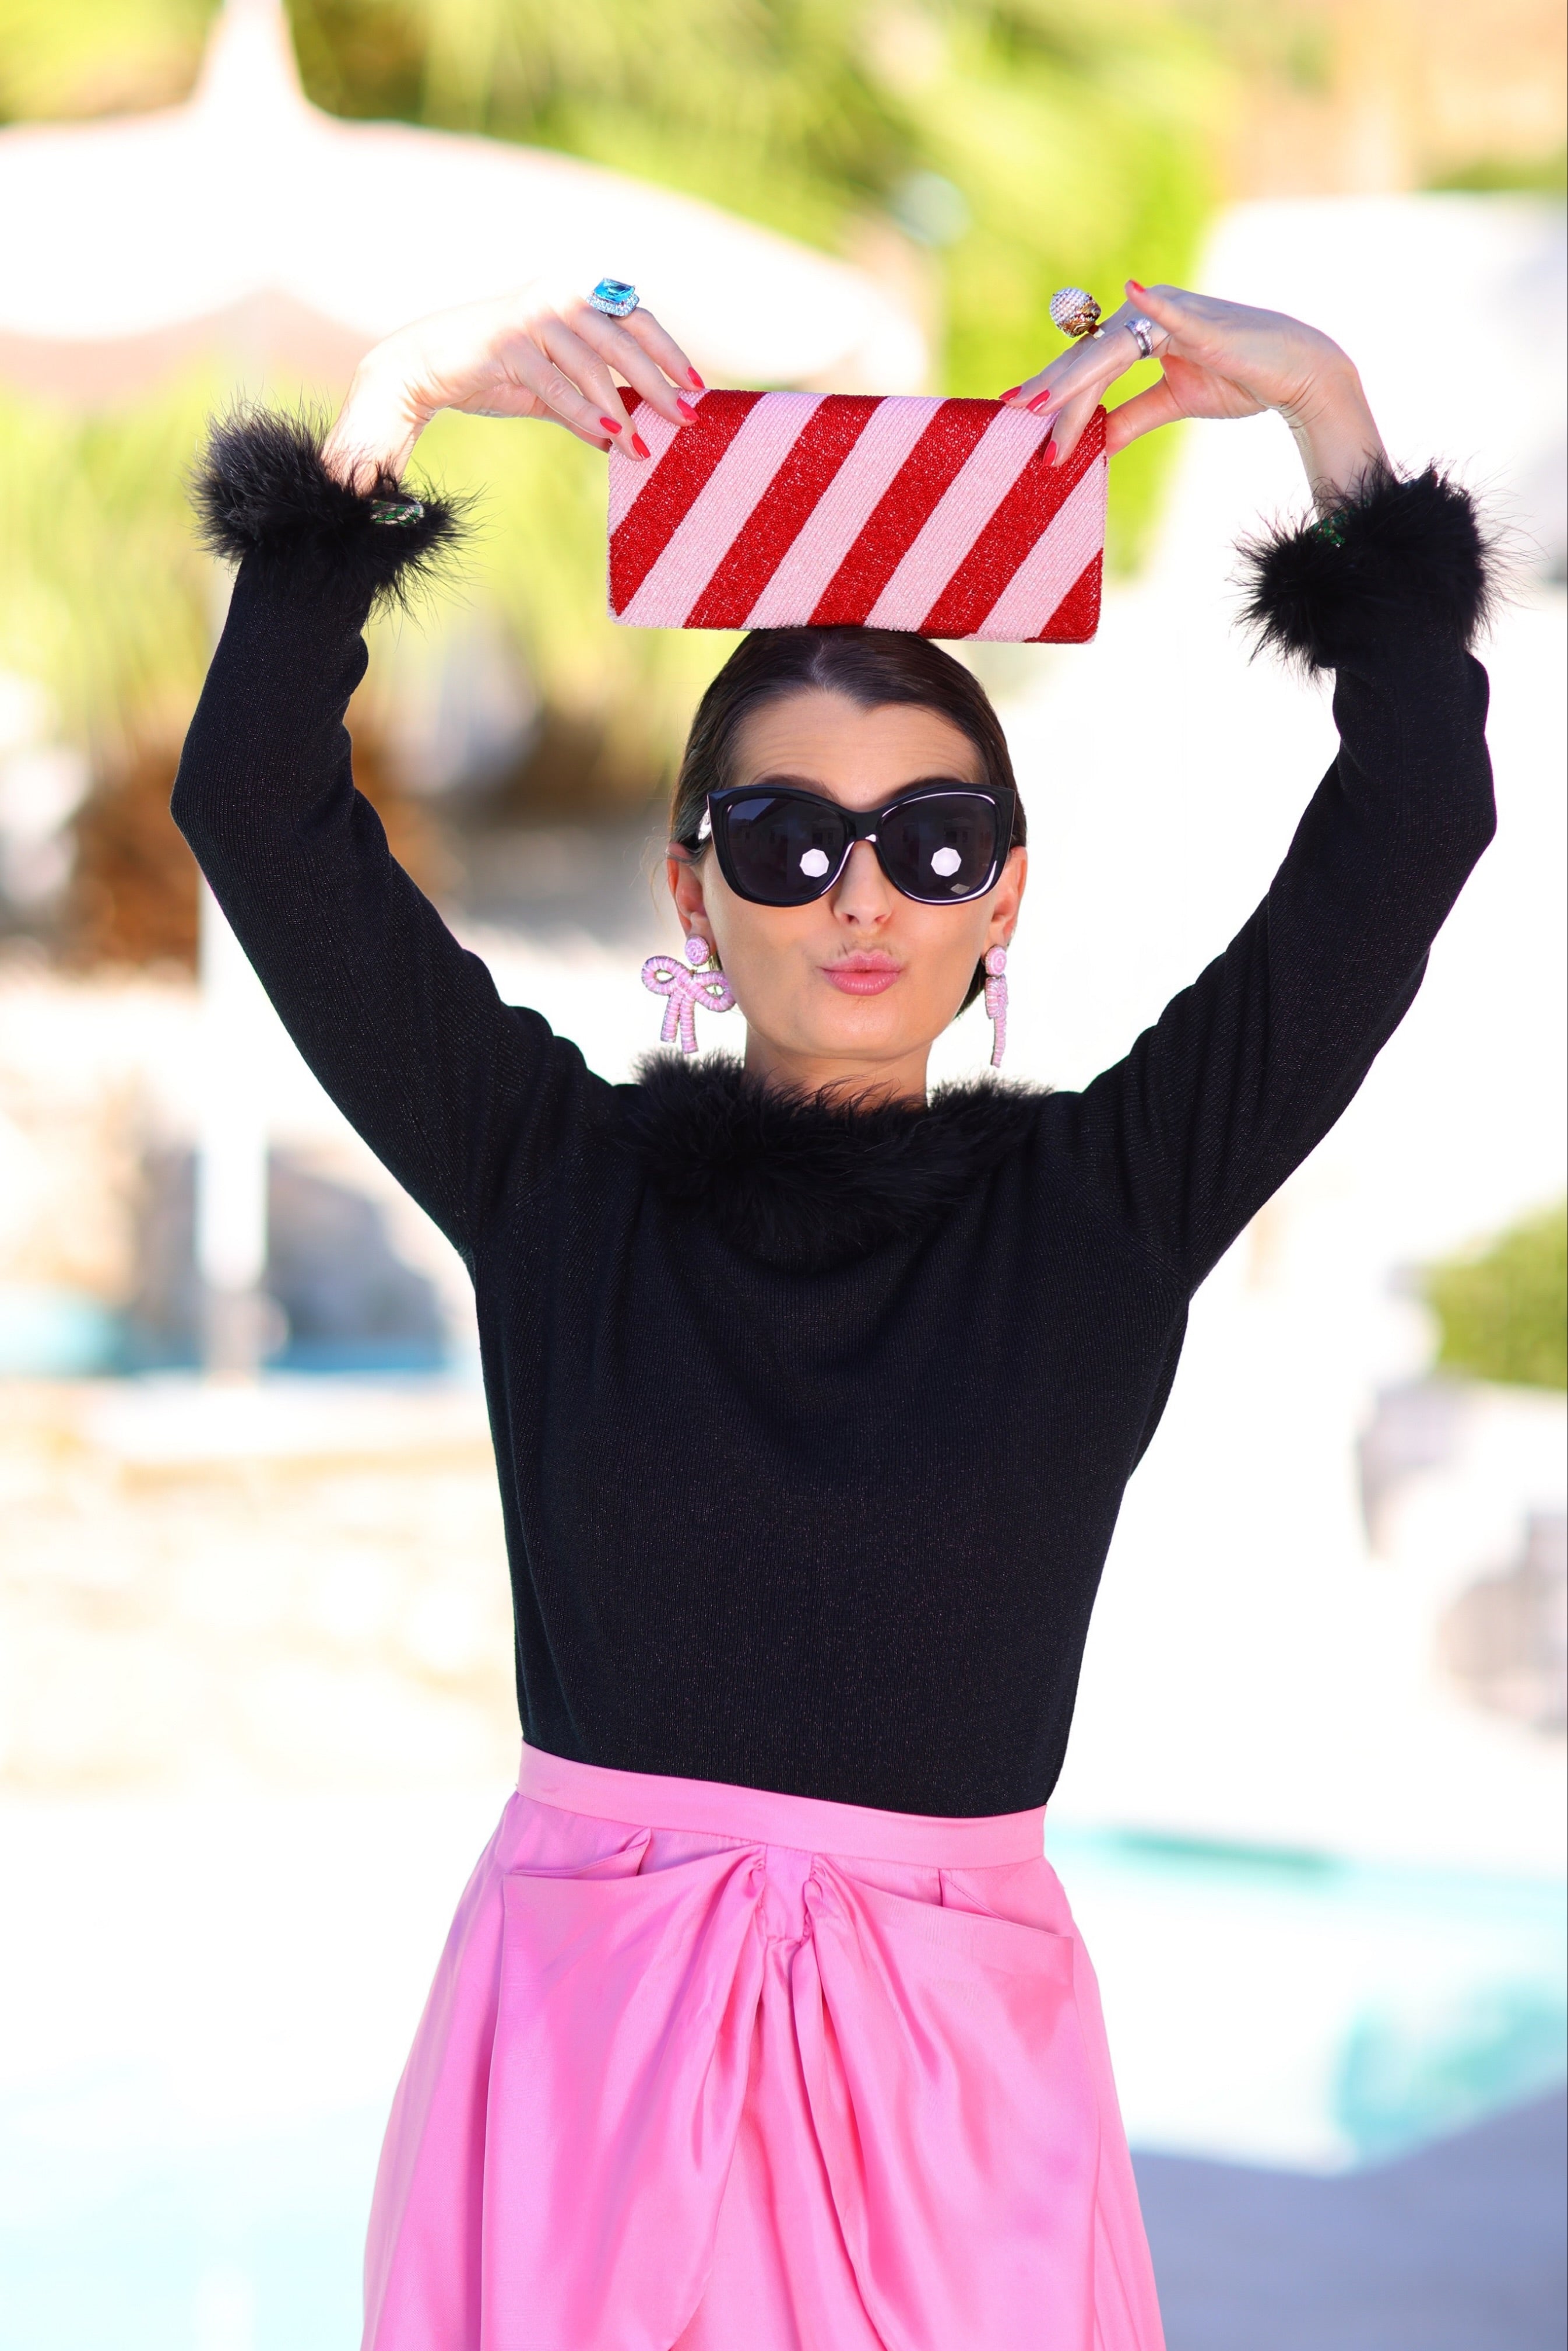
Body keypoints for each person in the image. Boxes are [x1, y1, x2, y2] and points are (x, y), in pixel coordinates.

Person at [174, 275, 1495, 2351]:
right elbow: (251, 803)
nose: (859, 895)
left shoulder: (1104, 1207)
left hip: (954, 2099)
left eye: (928, 838)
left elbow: (1411, 823)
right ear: (691, 892)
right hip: (581, 2080)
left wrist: (1326, 405)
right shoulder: (552, 1180)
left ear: (1003, 893)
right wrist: (392, 399)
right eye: (785, 841)